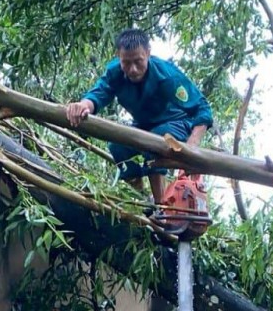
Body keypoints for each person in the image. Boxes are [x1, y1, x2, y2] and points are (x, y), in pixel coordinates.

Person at [66, 28, 213, 208]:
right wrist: (83, 106)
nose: (133, 69)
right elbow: (99, 93)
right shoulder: (115, 73)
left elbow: (202, 109)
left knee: (154, 142)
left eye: (138, 61)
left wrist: (192, 145)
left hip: (176, 124)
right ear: (118, 57)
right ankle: (144, 200)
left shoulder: (167, 75)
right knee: (117, 146)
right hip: (143, 126)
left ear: (148, 54)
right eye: (126, 63)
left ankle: (162, 208)